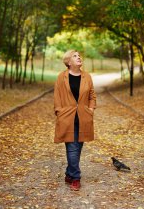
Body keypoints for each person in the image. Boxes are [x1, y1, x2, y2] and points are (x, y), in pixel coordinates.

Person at [53, 50, 96, 191]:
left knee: (77, 148)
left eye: (79, 56)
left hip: (83, 117)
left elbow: (92, 95)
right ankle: (76, 178)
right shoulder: (62, 77)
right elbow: (57, 96)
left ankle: (69, 173)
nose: (79, 57)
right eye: (75, 56)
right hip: (67, 117)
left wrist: (91, 109)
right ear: (68, 62)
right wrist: (59, 111)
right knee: (72, 148)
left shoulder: (87, 77)